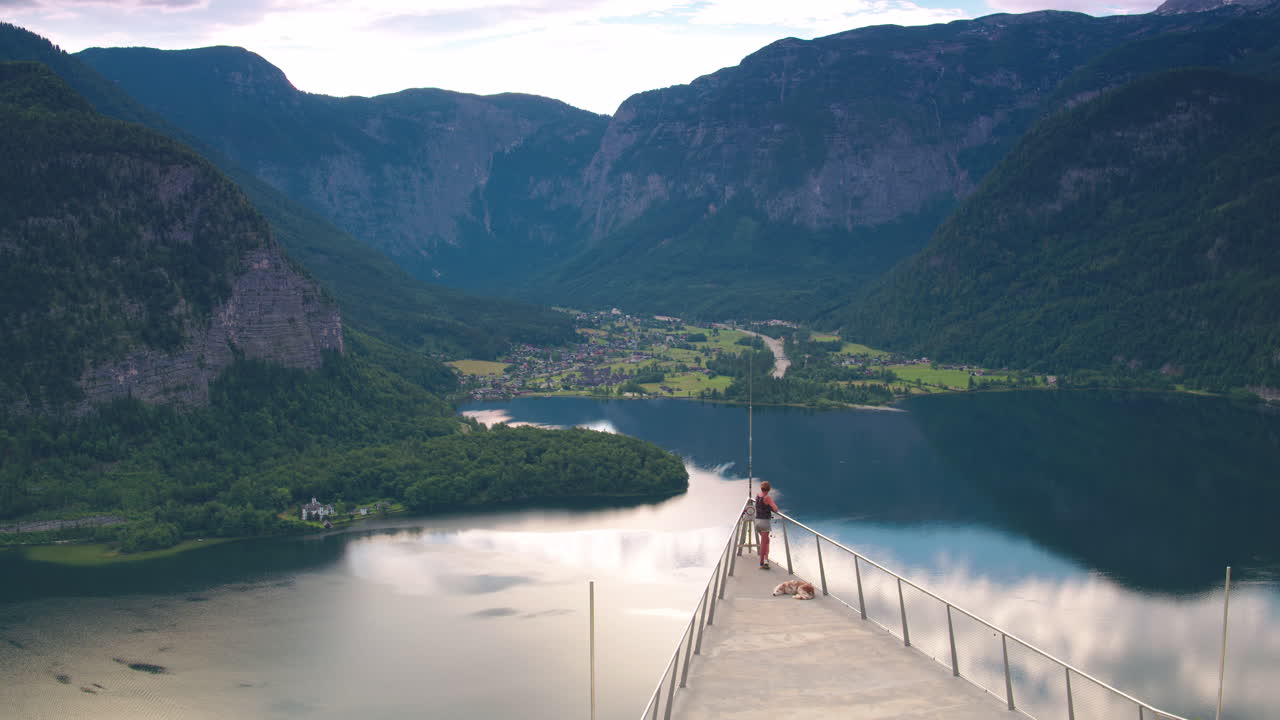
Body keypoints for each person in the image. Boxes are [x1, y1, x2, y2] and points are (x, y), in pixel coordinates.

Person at [754, 481, 780, 569]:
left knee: (767, 541)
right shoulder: (767, 497)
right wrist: (770, 506)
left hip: (757, 522)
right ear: (769, 489)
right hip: (764, 522)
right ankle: (762, 563)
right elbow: (775, 509)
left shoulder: (758, 495)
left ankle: (766, 559)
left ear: (761, 488)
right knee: (763, 543)